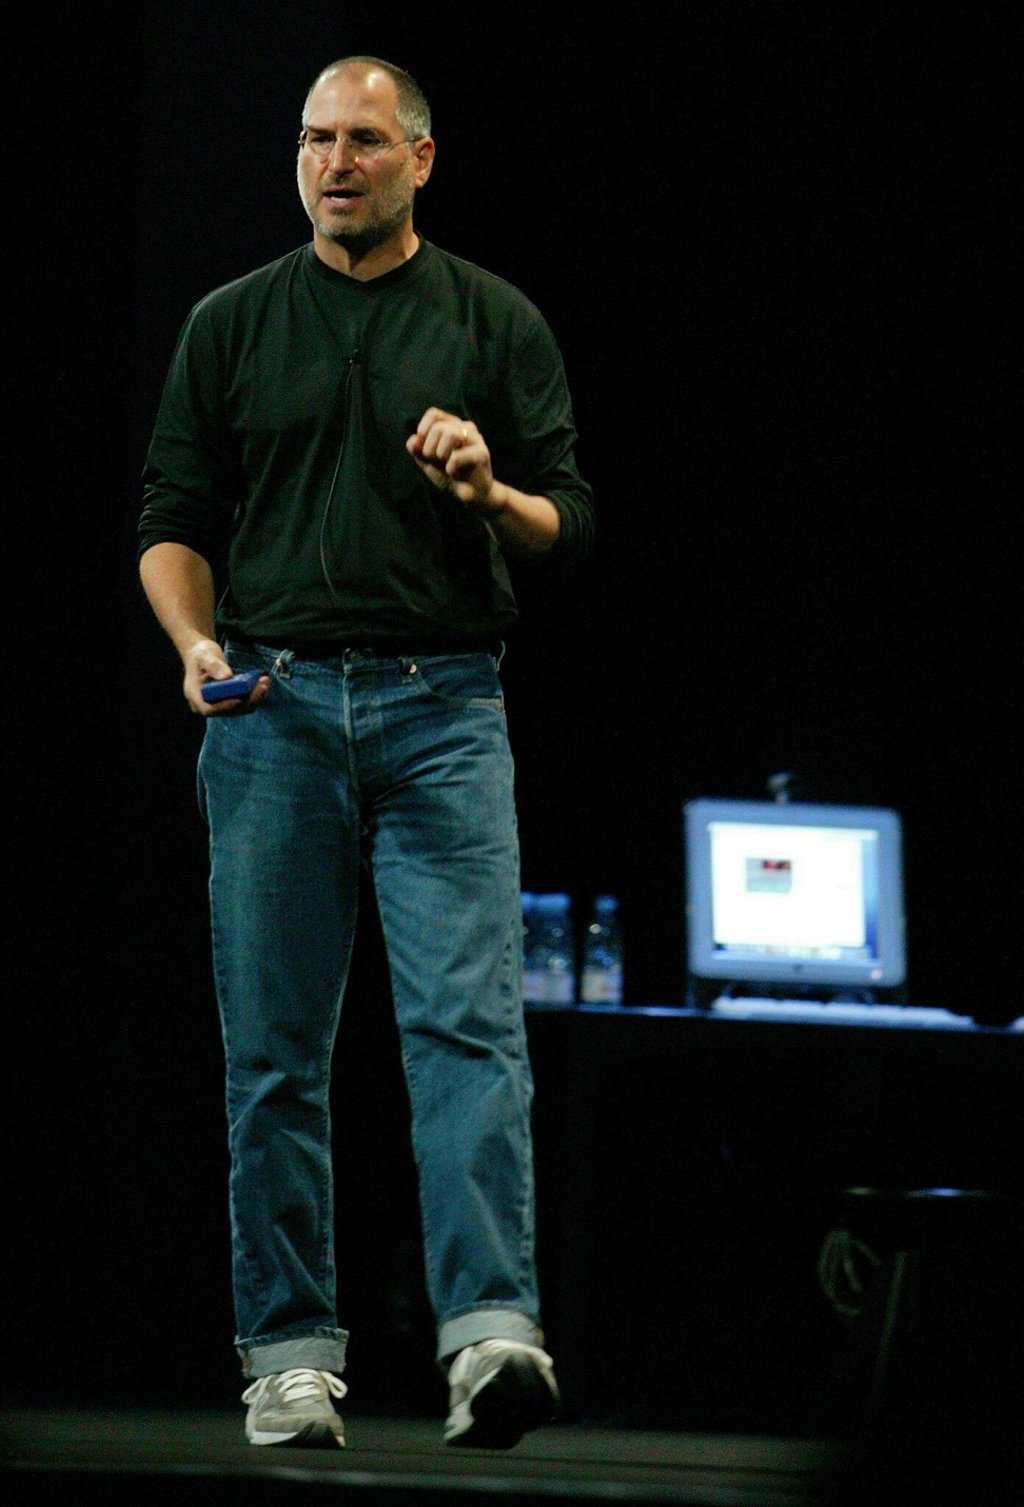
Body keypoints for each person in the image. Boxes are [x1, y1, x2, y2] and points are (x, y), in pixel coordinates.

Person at [137, 54, 594, 1451]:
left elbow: (566, 520)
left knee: (467, 1031)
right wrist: (193, 645)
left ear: (421, 160)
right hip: (270, 712)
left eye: (364, 141)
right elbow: (174, 515)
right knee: (274, 1051)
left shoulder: (493, 319)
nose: (334, 162)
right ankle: (288, 1357)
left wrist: (488, 487)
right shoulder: (231, 322)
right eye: (314, 139)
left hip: (441, 708)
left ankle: (490, 1339)